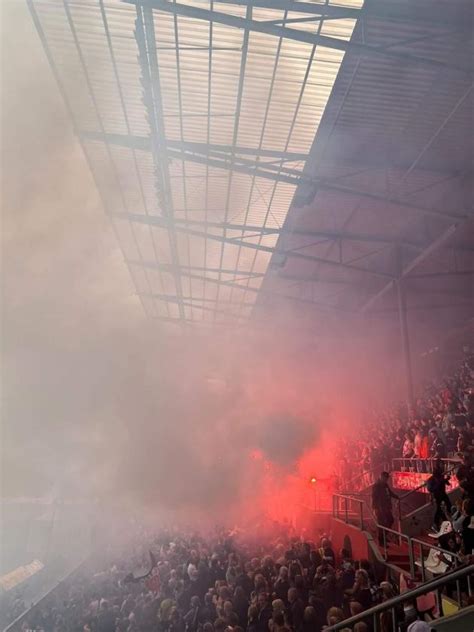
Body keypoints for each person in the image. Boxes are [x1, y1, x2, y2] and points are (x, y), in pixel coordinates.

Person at [371, 472, 399, 545]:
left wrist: (397, 497)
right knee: (381, 524)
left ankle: (384, 536)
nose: (386, 480)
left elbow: (389, 493)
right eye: (385, 478)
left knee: (390, 520)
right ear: (381, 477)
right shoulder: (376, 486)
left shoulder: (385, 485)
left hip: (386, 507)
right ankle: (381, 541)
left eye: (387, 478)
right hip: (380, 508)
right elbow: (374, 497)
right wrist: (375, 508)